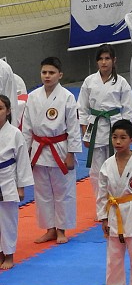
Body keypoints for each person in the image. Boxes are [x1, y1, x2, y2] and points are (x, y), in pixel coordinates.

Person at [23, 57, 81, 245]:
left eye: (51, 72)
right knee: (43, 193)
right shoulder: (33, 97)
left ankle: (62, 229)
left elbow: (73, 128)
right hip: (39, 150)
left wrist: (71, 154)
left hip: (59, 149)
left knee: (63, 191)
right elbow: (27, 128)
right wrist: (25, 153)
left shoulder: (67, 97)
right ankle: (49, 229)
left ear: (60, 75)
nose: (47, 76)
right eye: (44, 72)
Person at [78, 44, 132, 210]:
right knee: (96, 171)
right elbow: (82, 108)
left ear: (114, 60)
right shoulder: (89, 81)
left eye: (107, 58)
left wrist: (127, 134)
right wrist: (85, 132)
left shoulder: (121, 82)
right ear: (97, 61)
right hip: (95, 127)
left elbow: (129, 109)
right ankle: (101, 208)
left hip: (115, 127)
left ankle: (117, 201)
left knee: (116, 167)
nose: (104, 62)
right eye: (101, 59)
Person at [97, 119, 132, 285]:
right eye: (115, 137)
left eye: (123, 138)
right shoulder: (107, 164)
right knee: (114, 253)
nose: (118, 142)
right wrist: (103, 217)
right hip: (114, 210)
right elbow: (102, 193)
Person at [0, 94, 33, 270]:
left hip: (7, 179)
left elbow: (22, 161)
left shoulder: (15, 133)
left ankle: (9, 254)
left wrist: (21, 187)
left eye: (0, 108)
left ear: (8, 111)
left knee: (8, 219)